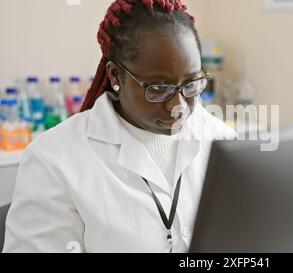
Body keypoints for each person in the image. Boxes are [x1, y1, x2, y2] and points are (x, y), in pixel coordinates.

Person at [3, 0, 235, 253]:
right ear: (115, 76)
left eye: (191, 84)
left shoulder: (220, 138)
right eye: (158, 88)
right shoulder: (53, 159)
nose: (178, 105)